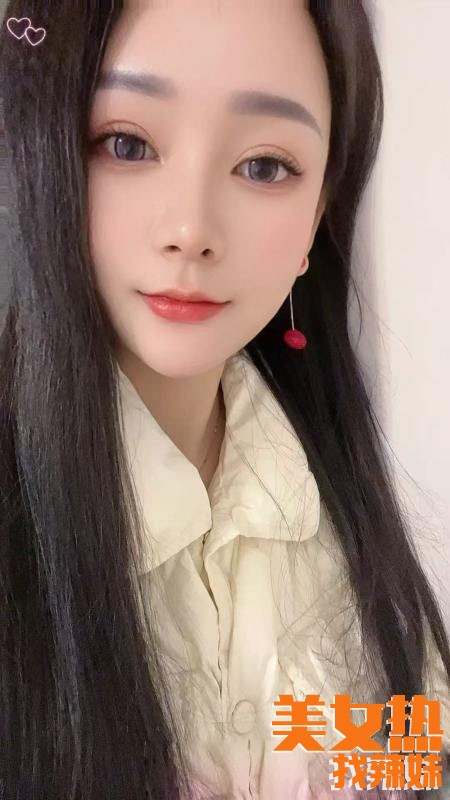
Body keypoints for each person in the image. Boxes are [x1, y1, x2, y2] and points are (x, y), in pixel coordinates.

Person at [0, 1, 449, 799]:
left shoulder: (351, 520)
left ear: (320, 211)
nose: (191, 228)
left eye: (265, 166)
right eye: (127, 144)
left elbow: (411, 764)